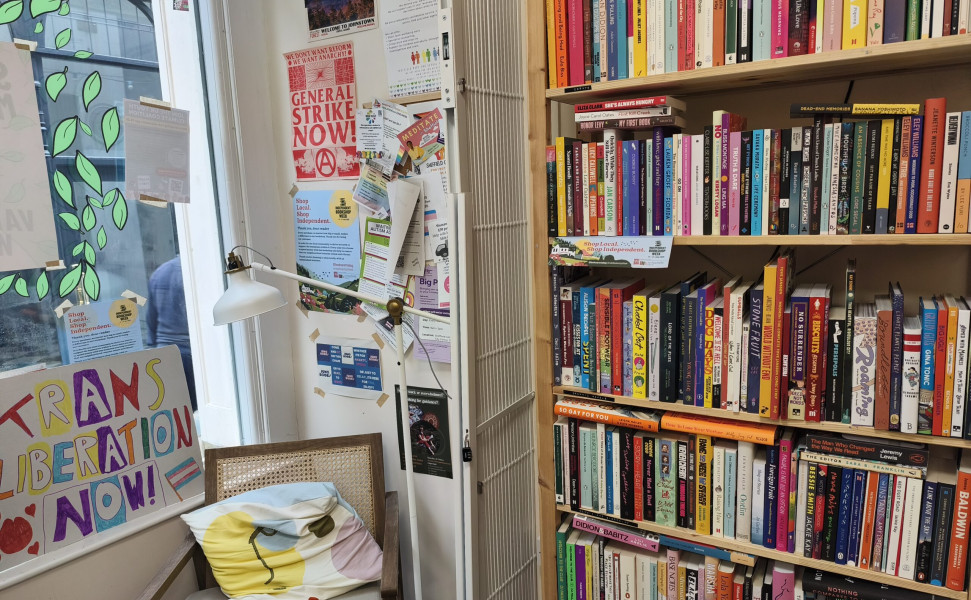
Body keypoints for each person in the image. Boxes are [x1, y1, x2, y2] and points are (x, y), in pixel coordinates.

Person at [146, 256, 197, 410]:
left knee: (176, 409)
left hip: (165, 352)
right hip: (193, 351)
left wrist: (153, 347)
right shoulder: (195, 270)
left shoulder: (159, 273)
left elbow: (151, 318)